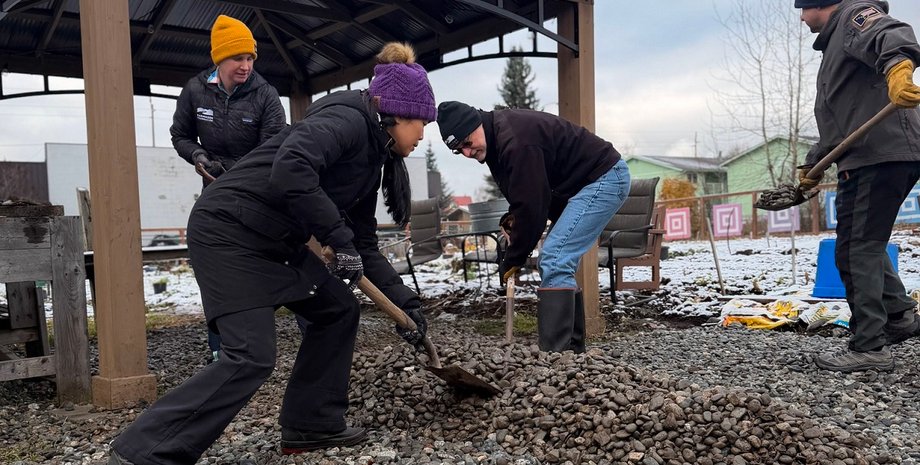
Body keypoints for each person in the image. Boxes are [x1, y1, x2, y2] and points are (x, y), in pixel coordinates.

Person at [108, 41, 435, 464]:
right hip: (231, 232)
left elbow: (363, 243)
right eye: (421, 122)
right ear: (397, 113)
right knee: (250, 356)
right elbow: (292, 166)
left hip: (276, 241)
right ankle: (142, 451)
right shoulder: (345, 120)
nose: (423, 134)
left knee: (337, 310)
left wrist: (407, 303)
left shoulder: (371, 156)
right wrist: (338, 239)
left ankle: (312, 423)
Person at [437, 101, 630, 353]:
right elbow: (527, 194)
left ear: (476, 124)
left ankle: (556, 356)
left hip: (603, 178)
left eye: (467, 142)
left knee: (555, 257)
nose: (466, 152)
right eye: (458, 150)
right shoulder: (496, 141)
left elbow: (533, 207)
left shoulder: (515, 141)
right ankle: (572, 354)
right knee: (558, 259)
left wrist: (513, 258)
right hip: (581, 186)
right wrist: (514, 219)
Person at [796, 0, 920, 372]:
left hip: (876, 155)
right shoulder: (836, 44)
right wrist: (814, 164)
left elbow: (891, 33)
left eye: (803, 8)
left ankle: (869, 346)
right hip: (877, 154)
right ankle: (897, 315)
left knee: (854, 250)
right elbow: (843, 121)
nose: (801, 17)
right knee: (865, 243)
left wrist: (899, 68)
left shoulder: (854, 17)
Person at [170, 14, 287, 363]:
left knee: (256, 266)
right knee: (217, 269)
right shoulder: (195, 90)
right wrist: (198, 155)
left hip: (256, 194)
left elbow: (274, 148)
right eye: (238, 58)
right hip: (214, 192)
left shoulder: (266, 95)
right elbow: (180, 135)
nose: (246, 66)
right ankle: (220, 348)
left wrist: (237, 172)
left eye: (250, 58)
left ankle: (257, 340)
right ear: (219, 59)